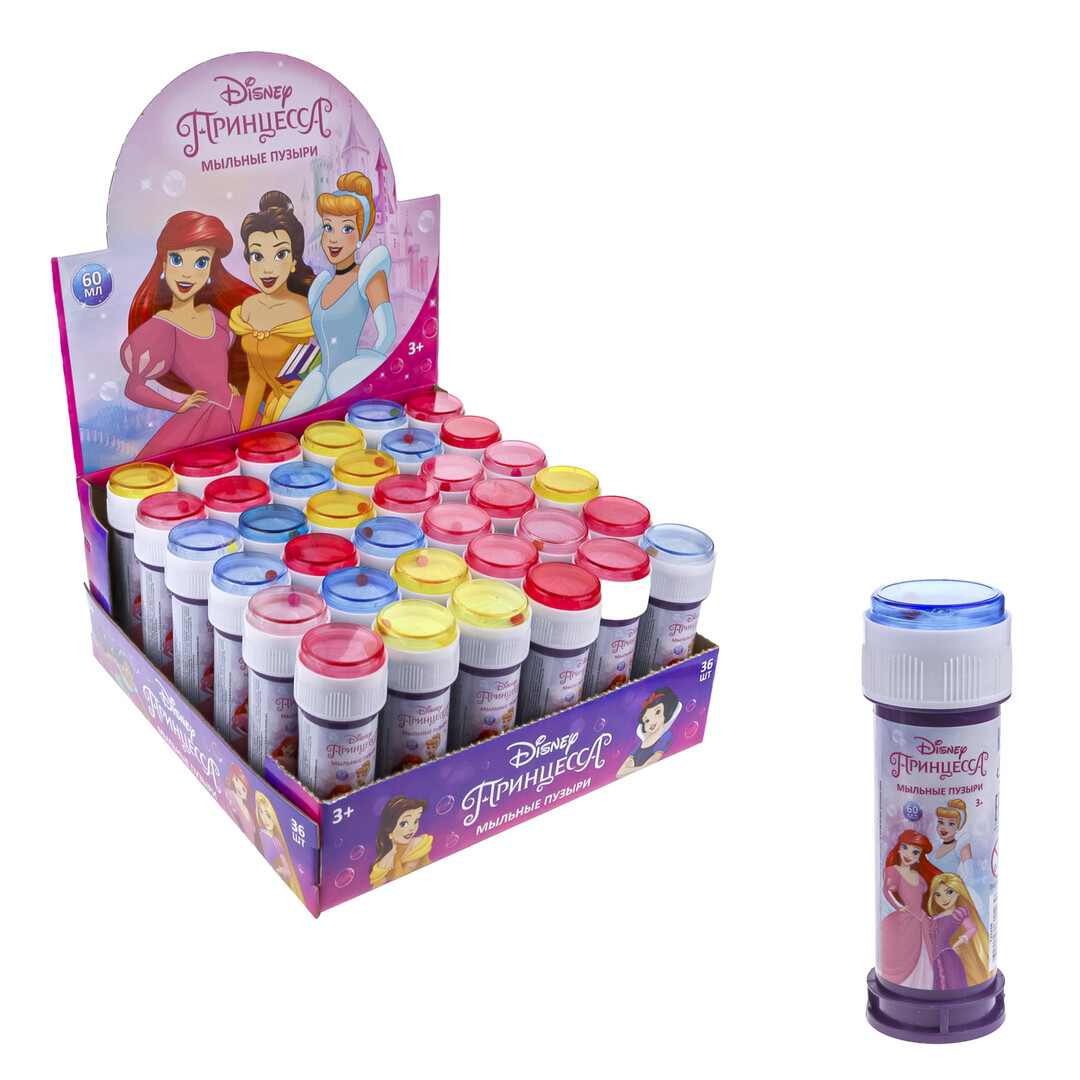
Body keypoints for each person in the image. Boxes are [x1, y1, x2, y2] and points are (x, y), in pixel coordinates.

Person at [121, 211, 253, 456]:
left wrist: (229, 385)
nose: (187, 274)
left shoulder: (217, 317)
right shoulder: (162, 327)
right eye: (177, 260)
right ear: (163, 263)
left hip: (237, 408)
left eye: (201, 262)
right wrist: (176, 405)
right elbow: (133, 388)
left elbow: (218, 362)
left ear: (211, 268)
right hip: (201, 417)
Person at [279, 172, 395, 417]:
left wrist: (364, 378)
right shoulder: (321, 285)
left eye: (347, 228)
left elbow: (388, 334)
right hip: (321, 380)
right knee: (287, 421)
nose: (333, 238)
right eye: (328, 227)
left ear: (361, 235)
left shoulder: (369, 275)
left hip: (350, 383)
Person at [231, 191, 316, 428]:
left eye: (280, 254)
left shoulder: (302, 309)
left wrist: (309, 382)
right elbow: (256, 381)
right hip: (274, 408)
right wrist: (243, 432)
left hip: (302, 406)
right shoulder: (248, 308)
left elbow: (326, 361)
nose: (267, 269)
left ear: (293, 261)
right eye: (258, 256)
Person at [879, 830, 941, 988]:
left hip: (922, 919)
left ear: (919, 856)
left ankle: (926, 984)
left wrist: (928, 913)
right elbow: (886, 890)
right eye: (905, 847)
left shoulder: (918, 876)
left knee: (926, 953)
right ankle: (908, 984)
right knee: (905, 951)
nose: (909, 854)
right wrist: (898, 907)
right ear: (899, 848)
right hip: (907, 918)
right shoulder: (893, 871)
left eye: (915, 852)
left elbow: (924, 897)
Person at [926, 872, 993, 989]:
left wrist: (959, 942)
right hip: (934, 957)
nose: (944, 899)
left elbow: (972, 928)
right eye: (938, 895)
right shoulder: (935, 917)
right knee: (939, 983)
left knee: (949, 983)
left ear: (957, 892)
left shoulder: (958, 913)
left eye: (949, 892)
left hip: (947, 956)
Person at [616, 687, 680, 778]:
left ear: (666, 711)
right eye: (647, 720)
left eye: (657, 712)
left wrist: (632, 769)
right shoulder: (638, 744)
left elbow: (652, 762)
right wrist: (641, 768)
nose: (652, 721)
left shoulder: (665, 737)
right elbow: (619, 773)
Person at [369, 796, 432, 887]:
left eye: (416, 821)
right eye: (404, 823)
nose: (412, 828)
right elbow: (376, 887)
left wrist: (397, 859)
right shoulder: (384, 861)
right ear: (390, 828)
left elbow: (404, 880)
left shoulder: (417, 844)